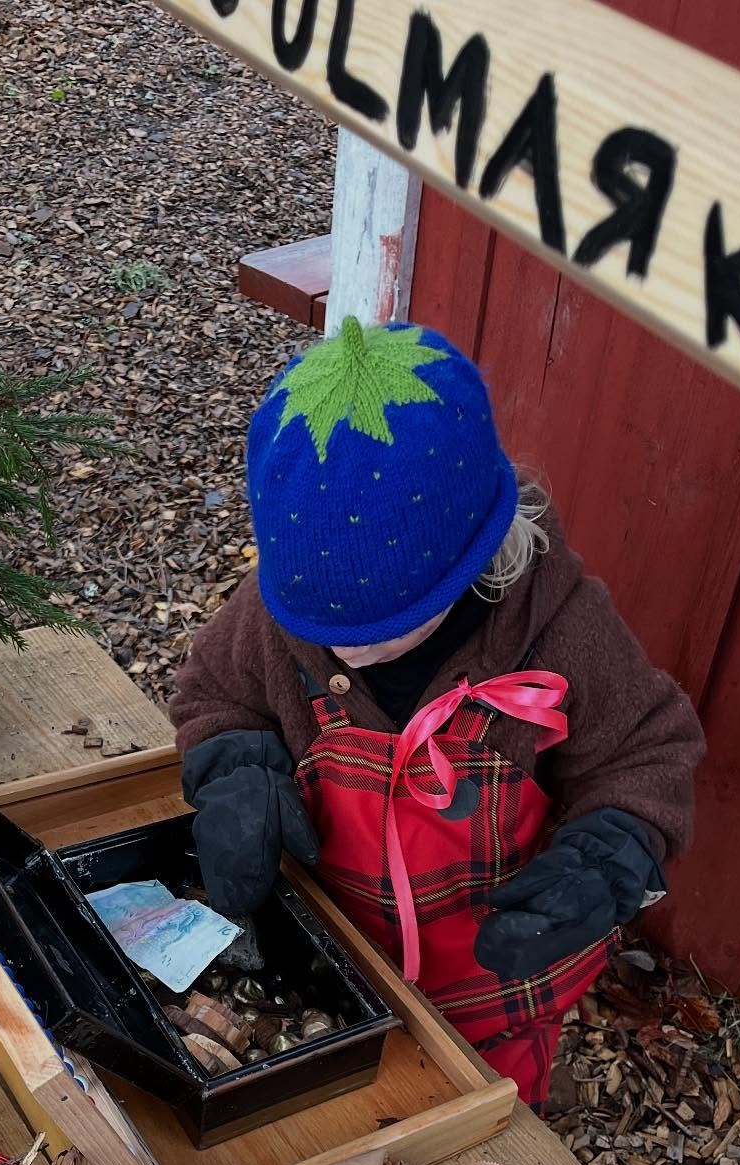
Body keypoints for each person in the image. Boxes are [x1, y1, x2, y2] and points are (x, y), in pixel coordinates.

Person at [170, 318, 704, 1110]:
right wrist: (237, 767)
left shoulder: (563, 630)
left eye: (384, 628)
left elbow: (647, 751)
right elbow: (216, 690)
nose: (350, 653)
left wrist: (609, 856)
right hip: (336, 961)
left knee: (486, 1129)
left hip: (496, 985)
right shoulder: (272, 615)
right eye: (324, 630)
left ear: (471, 557)